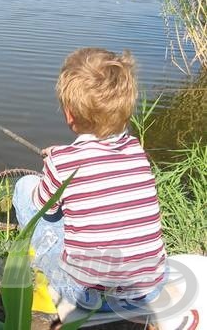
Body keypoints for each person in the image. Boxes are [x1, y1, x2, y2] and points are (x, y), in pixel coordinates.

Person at [12, 48, 167, 311]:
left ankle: (29, 254)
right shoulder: (136, 150)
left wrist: (55, 162)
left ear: (69, 114)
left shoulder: (62, 162)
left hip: (88, 296)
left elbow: (44, 209)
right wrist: (62, 156)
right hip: (148, 289)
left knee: (24, 187)